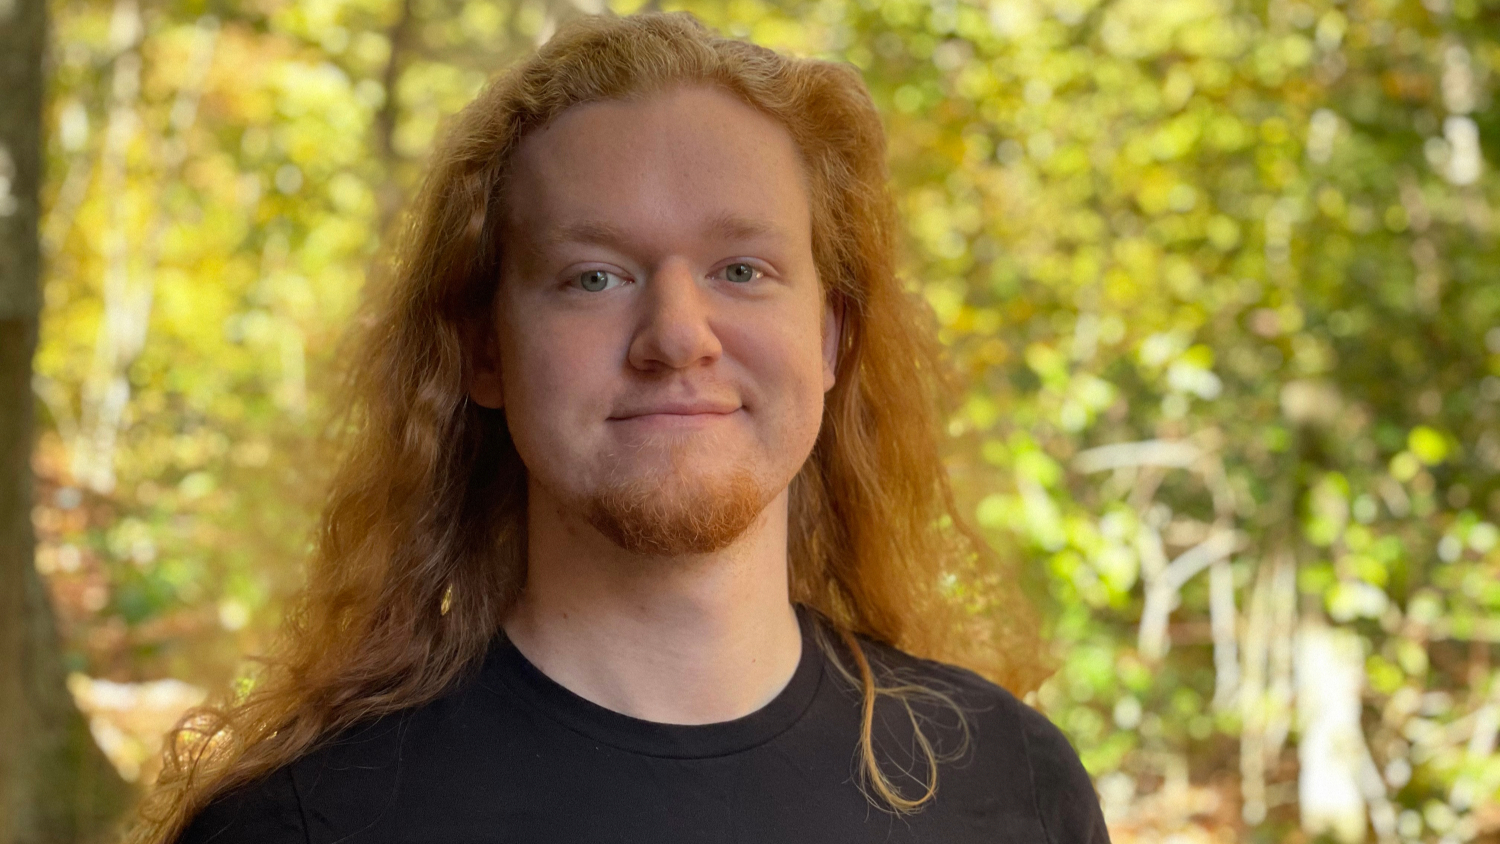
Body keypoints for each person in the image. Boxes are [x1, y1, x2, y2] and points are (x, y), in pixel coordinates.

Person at [130, 11, 1110, 844]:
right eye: (593, 276)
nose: (678, 336)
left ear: (829, 339)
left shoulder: (1009, 787)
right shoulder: (302, 822)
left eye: (741, 270)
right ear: (483, 350)